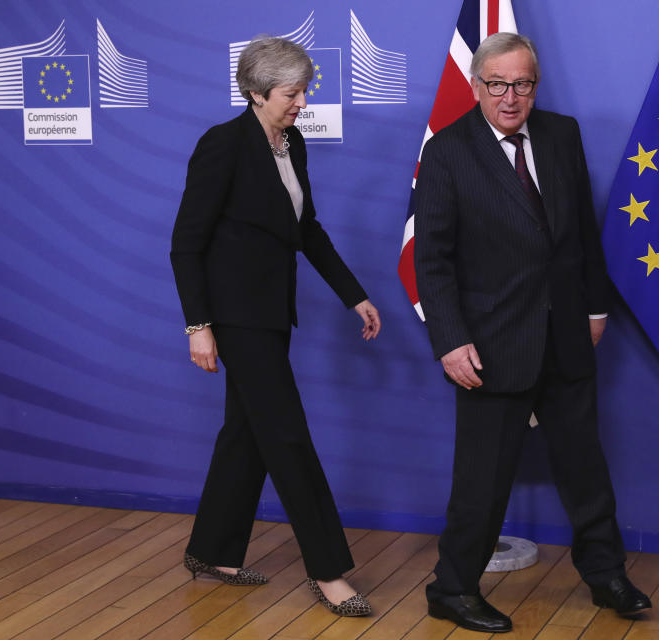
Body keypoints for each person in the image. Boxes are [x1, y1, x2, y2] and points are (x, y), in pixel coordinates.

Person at [413, 33, 652, 633]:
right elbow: (432, 260)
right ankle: (453, 588)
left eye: (522, 84)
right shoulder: (446, 151)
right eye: (497, 84)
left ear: (535, 86)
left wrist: (596, 308)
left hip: (567, 332)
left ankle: (607, 577)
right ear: (476, 86)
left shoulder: (561, 134)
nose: (511, 97)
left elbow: (581, 235)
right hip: (491, 344)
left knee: (585, 468)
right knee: (481, 481)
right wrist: (449, 339)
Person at [170, 36, 379, 617]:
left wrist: (352, 294)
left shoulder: (293, 145)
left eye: (304, 89)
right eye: (292, 92)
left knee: (248, 430)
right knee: (286, 434)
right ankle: (330, 571)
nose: (302, 101)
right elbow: (186, 245)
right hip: (234, 319)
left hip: (273, 315)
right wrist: (198, 327)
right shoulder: (222, 146)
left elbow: (305, 228)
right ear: (257, 93)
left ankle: (212, 551)